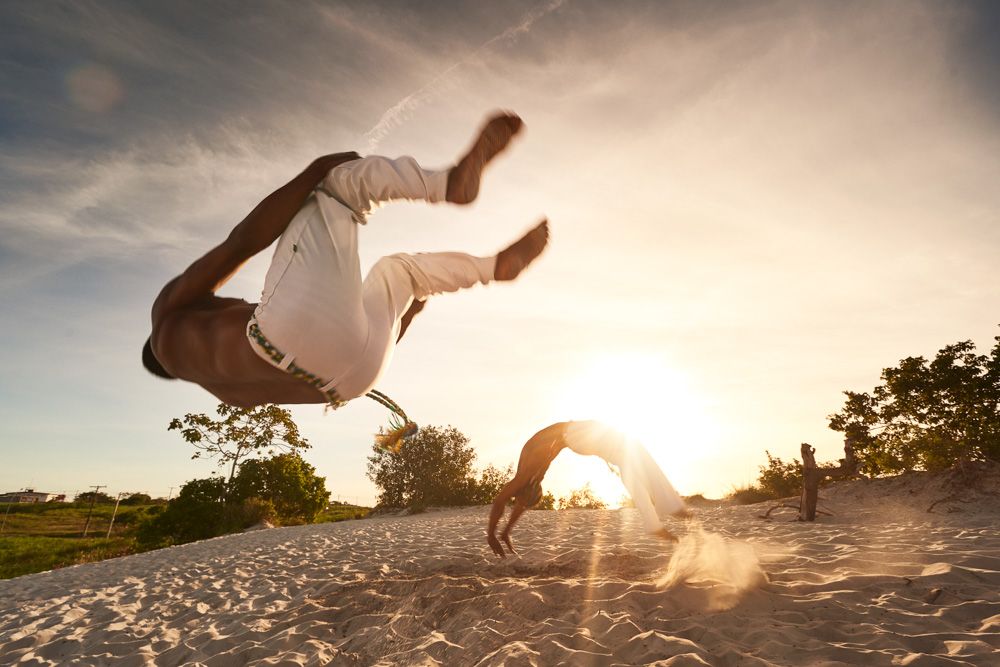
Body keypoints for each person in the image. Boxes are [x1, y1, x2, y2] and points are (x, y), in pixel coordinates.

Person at [145, 113, 548, 440]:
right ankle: (448, 184)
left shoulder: (222, 389)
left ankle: (493, 268)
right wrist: (314, 173)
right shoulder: (165, 317)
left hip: (354, 380)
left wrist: (399, 318)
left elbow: (336, 354)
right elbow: (241, 244)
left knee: (401, 272)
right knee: (334, 189)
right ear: (154, 347)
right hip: (285, 338)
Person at [487, 420, 689, 558]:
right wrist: (501, 533)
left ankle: (658, 516)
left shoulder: (526, 475)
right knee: (631, 450)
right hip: (576, 436)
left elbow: (500, 501)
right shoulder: (530, 477)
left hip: (574, 434)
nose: (521, 506)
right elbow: (517, 503)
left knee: (628, 457)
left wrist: (496, 534)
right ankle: (664, 509)